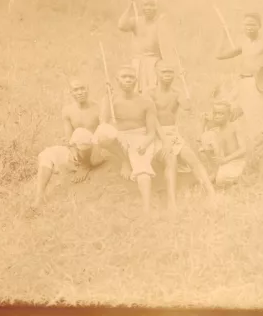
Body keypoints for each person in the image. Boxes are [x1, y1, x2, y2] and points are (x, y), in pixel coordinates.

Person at [94, 65, 176, 214]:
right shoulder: (110, 100)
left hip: (140, 137)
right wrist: (106, 98)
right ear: (117, 80)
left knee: (142, 168)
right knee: (103, 132)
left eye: (131, 77)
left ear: (136, 81)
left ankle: (146, 209)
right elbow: (103, 123)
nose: (127, 80)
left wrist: (144, 144)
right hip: (120, 137)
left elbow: (151, 132)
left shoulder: (145, 102)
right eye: (124, 77)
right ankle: (124, 160)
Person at [215, 12, 263, 178]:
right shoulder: (243, 43)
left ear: (259, 26)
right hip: (241, 85)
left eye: (252, 24)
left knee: (258, 128)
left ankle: (262, 174)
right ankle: (236, 165)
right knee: (236, 123)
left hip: (257, 86)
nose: (249, 27)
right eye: (246, 24)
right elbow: (219, 55)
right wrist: (223, 35)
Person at [145, 61, 217, 203]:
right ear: (156, 73)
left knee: (192, 158)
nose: (167, 75)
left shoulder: (176, 92)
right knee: (170, 159)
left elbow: (188, 106)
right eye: (164, 72)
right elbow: (151, 118)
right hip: (156, 132)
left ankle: (211, 191)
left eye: (170, 72)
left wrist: (185, 84)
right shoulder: (150, 92)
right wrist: (164, 139)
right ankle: (171, 201)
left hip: (172, 132)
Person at [32, 128, 103, 210]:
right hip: (70, 152)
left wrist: (85, 166)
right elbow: (70, 143)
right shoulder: (72, 148)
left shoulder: (94, 148)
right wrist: (74, 151)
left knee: (82, 147)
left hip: (89, 149)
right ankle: (39, 196)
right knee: (46, 156)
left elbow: (96, 157)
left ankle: (81, 160)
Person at [117, 0, 165, 93]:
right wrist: (129, 7)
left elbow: (167, 44)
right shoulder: (136, 21)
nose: (149, 8)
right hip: (138, 61)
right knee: (135, 90)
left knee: (153, 90)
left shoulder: (160, 23)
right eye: (146, 5)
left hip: (154, 61)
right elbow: (121, 25)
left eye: (152, 6)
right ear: (142, 7)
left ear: (157, 8)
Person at [61, 77, 105, 180]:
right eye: (76, 90)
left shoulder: (97, 107)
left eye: (82, 88)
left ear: (88, 89)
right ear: (71, 92)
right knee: (79, 133)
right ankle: (84, 164)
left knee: (82, 133)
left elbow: (103, 130)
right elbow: (69, 136)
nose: (80, 92)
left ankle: (86, 165)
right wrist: (73, 151)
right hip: (81, 148)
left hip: (97, 146)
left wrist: (97, 150)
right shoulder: (67, 110)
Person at [199, 100, 247, 188]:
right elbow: (201, 141)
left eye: (221, 114)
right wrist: (203, 124)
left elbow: (243, 149)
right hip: (221, 163)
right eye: (215, 113)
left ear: (228, 115)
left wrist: (226, 159)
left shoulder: (235, 127)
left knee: (220, 180)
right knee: (206, 136)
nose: (217, 116)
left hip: (235, 162)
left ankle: (234, 179)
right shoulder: (215, 130)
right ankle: (215, 172)